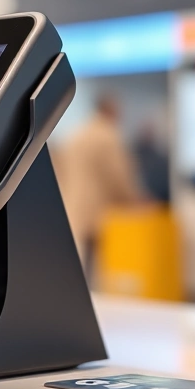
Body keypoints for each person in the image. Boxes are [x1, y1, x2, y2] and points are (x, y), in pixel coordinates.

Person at [55, 92, 146, 268]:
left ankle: (86, 291)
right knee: (103, 262)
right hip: (101, 209)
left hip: (75, 204)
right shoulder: (108, 135)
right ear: (111, 109)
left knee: (85, 257)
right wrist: (135, 198)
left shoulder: (76, 134)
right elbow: (119, 176)